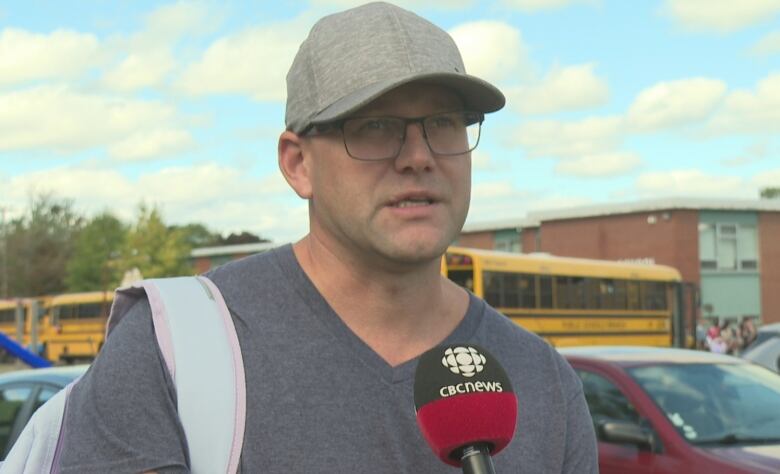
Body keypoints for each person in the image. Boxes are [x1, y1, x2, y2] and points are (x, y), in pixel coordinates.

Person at [55, 2, 598, 472]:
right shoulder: (170, 350)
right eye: (375, 126)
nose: (418, 157)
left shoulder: (546, 382)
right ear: (298, 164)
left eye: (445, 123)